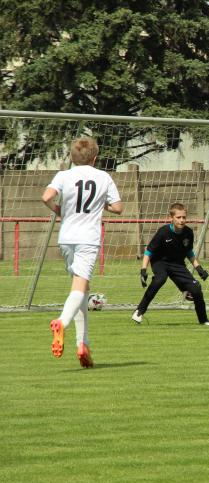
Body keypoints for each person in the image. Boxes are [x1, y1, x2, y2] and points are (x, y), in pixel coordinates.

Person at [42, 137, 124, 368]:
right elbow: (118, 208)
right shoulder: (103, 177)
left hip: (66, 238)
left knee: (81, 289)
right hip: (88, 238)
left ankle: (83, 344)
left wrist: (59, 210)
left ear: (72, 157)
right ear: (95, 158)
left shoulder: (64, 175)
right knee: (79, 288)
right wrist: (101, 204)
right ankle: (61, 322)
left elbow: (46, 197)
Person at [132, 203, 209, 327]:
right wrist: (143, 269)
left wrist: (199, 269)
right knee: (160, 279)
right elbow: (149, 251)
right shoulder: (163, 232)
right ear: (171, 218)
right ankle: (139, 311)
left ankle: (203, 319)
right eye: (178, 217)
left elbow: (189, 252)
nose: (182, 220)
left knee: (196, 289)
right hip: (160, 262)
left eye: (184, 217)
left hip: (178, 264)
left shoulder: (188, 233)